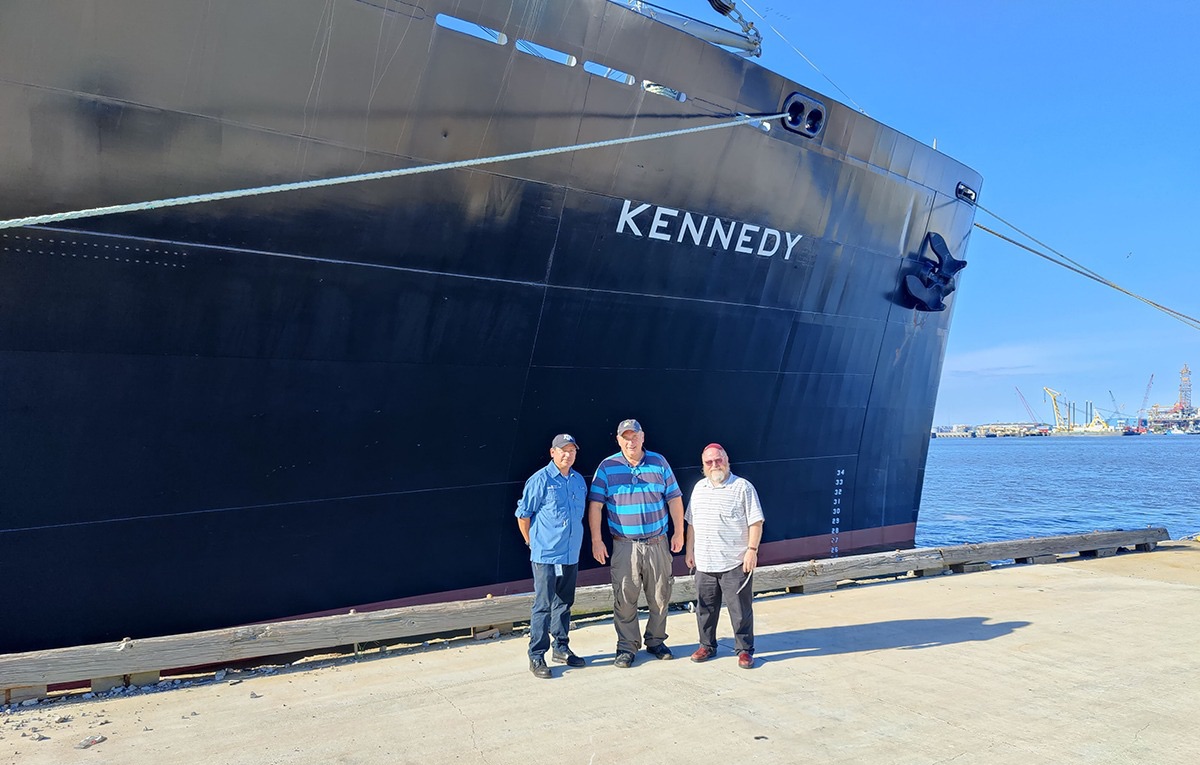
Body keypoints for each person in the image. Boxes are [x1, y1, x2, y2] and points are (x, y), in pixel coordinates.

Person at [587, 419, 684, 668]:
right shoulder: (607, 467)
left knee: (661, 595)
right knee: (624, 597)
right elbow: (596, 505)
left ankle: (655, 641)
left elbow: (674, 498)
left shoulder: (659, 462)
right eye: (625, 437)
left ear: (643, 437)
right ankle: (626, 647)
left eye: (635, 436)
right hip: (624, 545)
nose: (631, 441)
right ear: (618, 440)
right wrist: (597, 541)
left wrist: (679, 532)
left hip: (657, 542)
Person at [684, 443, 764, 669]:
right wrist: (689, 550)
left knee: (740, 610)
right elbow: (691, 523)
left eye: (718, 460)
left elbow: (755, 522)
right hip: (705, 561)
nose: (714, 465)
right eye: (709, 462)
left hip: (734, 562)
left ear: (726, 460)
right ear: (703, 465)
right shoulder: (699, 488)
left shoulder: (742, 487)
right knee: (705, 609)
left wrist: (752, 550)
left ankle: (745, 650)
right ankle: (706, 645)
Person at [515, 433, 588, 679]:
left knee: (565, 602)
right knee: (543, 605)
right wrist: (531, 542)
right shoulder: (540, 480)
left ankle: (561, 647)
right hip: (546, 554)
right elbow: (523, 515)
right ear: (552, 453)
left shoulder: (578, 481)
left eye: (572, 450)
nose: (567, 455)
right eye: (562, 450)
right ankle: (536, 655)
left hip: (570, 554)